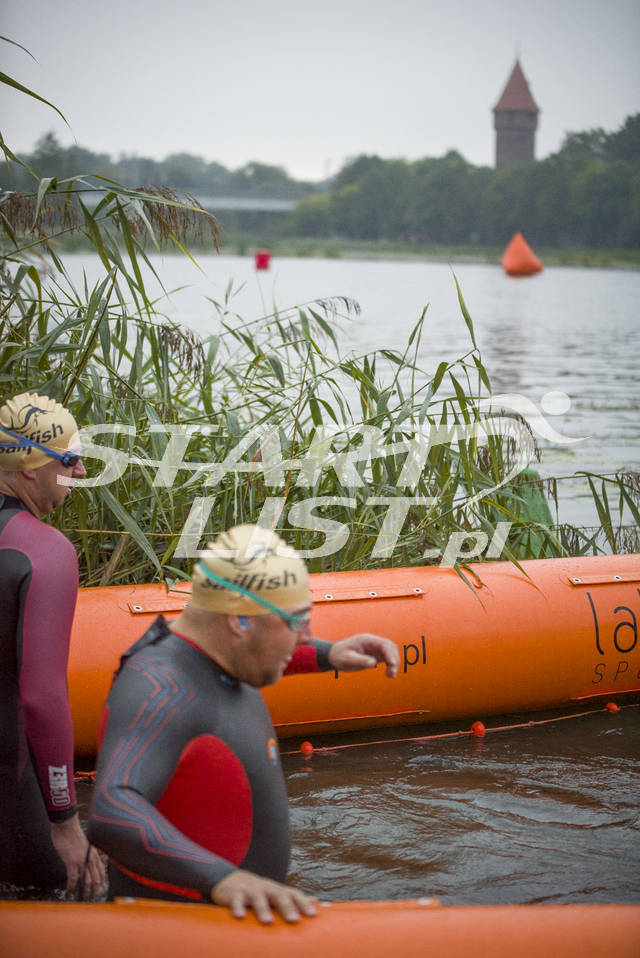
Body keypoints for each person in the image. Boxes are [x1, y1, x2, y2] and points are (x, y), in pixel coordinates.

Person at [87, 524, 399, 923]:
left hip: (243, 922)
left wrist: (329, 654)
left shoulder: (217, 657)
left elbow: (230, 672)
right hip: (182, 934)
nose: (308, 634)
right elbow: (112, 811)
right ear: (240, 621)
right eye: (296, 620)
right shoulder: (160, 690)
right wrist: (220, 879)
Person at [0, 391, 105, 899]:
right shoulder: (42, 551)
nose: (81, 472)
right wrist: (64, 823)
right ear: (28, 469)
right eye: (69, 460)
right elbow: (41, 697)